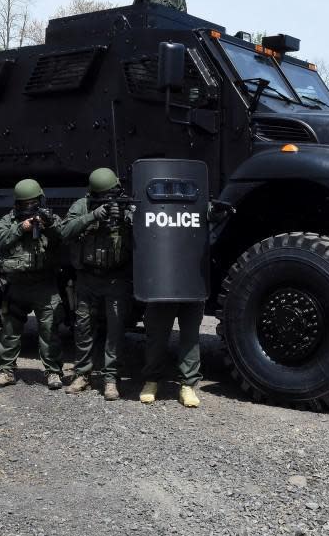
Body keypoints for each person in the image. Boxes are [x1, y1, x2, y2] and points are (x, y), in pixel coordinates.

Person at [139, 201, 233, 408]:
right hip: (163, 282)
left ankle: (187, 384)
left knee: (190, 337)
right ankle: (152, 380)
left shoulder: (196, 204)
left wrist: (215, 211)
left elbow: (209, 214)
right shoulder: (157, 203)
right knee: (156, 334)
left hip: (192, 281)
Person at [60, 168, 134, 401]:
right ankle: (82, 374)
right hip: (87, 278)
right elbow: (65, 231)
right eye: (103, 196)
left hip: (115, 278)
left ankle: (111, 379)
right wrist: (93, 215)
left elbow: (144, 231)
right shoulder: (82, 206)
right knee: (83, 328)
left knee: (115, 331)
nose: (109, 200)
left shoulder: (125, 206)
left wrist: (126, 216)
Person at [0, 179, 65, 390]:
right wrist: (21, 228)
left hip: (44, 284)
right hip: (17, 285)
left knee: (49, 331)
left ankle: (53, 372)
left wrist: (48, 225)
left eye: (33, 203)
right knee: (10, 330)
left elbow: (64, 235)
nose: (29, 207)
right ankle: (6, 371)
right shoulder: (8, 221)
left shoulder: (49, 218)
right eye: (25, 204)